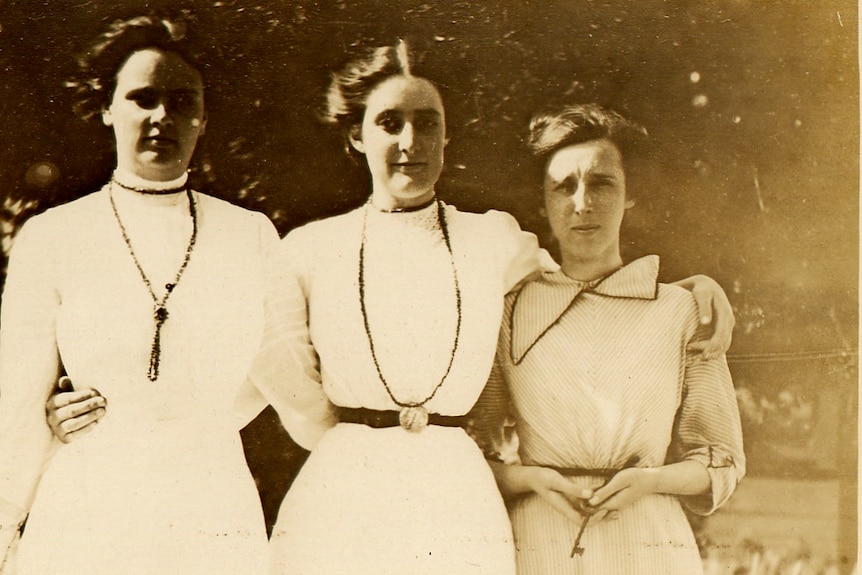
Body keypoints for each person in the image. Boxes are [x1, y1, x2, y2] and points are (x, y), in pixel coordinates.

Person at [42, 43, 734, 573]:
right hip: (345, 482)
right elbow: (257, 363)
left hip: (455, 483)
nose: (410, 141)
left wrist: (693, 288)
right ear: (358, 136)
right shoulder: (308, 249)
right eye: (390, 122)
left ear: (446, 135)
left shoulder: (493, 237)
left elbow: (585, 282)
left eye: (426, 123)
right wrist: (114, 406)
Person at [0, 15, 273, 574]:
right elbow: (20, 399)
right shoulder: (53, 235)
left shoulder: (250, 235)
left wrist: (194, 417)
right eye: (142, 98)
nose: (161, 117)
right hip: (90, 496)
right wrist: (5, 520)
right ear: (107, 108)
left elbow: (277, 368)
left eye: (181, 100)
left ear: (203, 115)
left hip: (210, 496)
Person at [472, 104, 746, 574]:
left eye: (602, 183)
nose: (583, 203)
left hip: (650, 540)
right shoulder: (509, 311)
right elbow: (477, 448)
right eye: (564, 186)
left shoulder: (681, 311)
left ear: (629, 194)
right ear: (542, 202)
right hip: (539, 538)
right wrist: (530, 478)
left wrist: (649, 481)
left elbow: (721, 460)